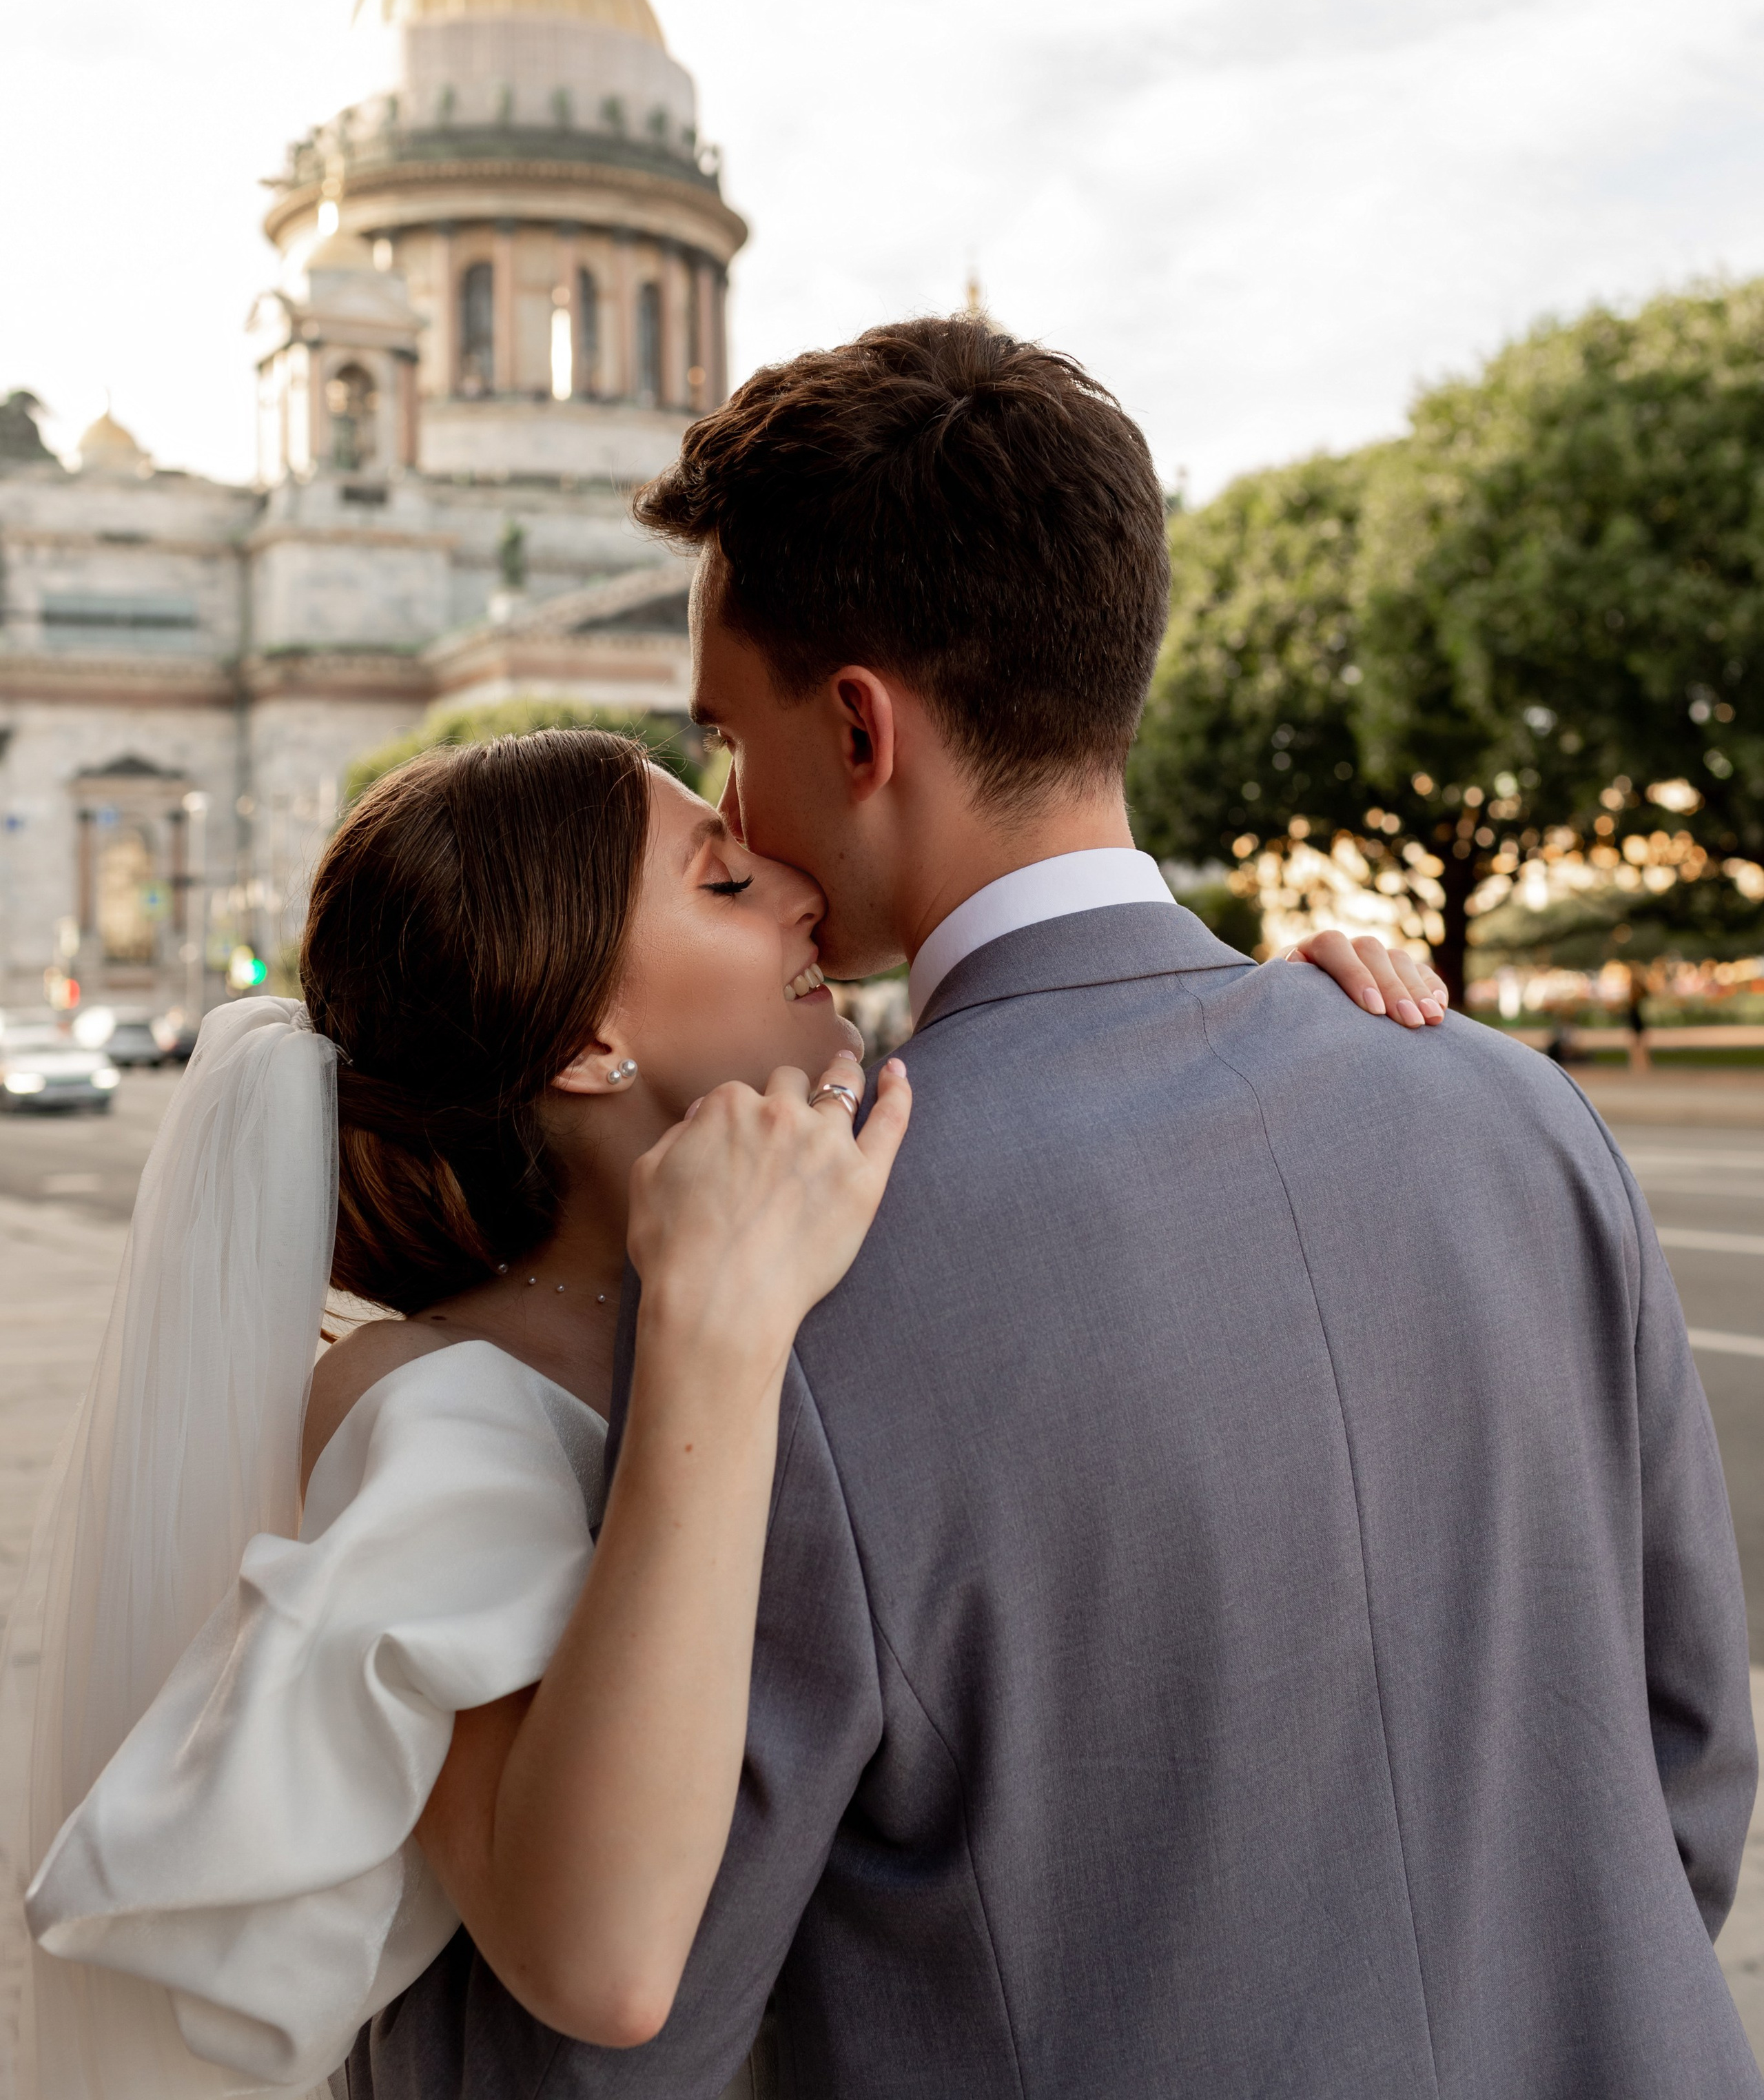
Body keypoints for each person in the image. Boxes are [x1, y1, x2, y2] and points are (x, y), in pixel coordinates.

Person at [363, 317, 1758, 2099]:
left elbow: (634, 2029)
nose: (731, 801)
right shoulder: (1511, 1105)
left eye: (728, 734)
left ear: (859, 727)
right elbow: (1686, 1768)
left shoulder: (790, 1262)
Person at [0, 715, 1430, 2100]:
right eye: (727, 882)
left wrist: (1257, 1029)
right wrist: (708, 1336)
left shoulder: (841, 1214)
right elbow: (602, 1968)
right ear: (585, 1038)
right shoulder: (431, 1400)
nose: (803, 890)